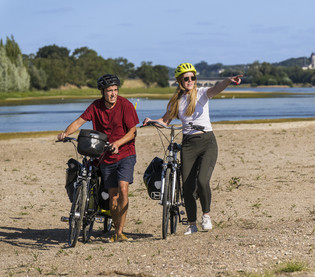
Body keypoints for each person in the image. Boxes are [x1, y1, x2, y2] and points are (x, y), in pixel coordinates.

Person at [143, 63, 242, 235]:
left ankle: (206, 215)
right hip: (188, 144)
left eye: (192, 78)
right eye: (186, 78)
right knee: (187, 187)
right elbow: (165, 120)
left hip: (207, 142)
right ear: (180, 80)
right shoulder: (176, 101)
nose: (190, 81)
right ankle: (192, 224)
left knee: (202, 181)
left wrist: (227, 80)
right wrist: (151, 121)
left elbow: (217, 89)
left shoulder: (202, 94)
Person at [57, 74, 139, 242]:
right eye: (109, 90)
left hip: (125, 153)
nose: (113, 94)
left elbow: (133, 132)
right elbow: (79, 122)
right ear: (102, 92)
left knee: (123, 189)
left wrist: (117, 143)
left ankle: (120, 232)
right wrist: (65, 133)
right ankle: (116, 231)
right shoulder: (96, 106)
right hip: (106, 156)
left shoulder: (126, 105)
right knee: (113, 195)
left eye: (115, 90)